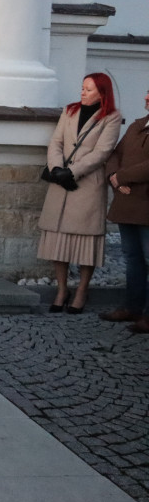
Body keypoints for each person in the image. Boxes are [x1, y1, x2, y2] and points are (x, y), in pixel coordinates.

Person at [38, 73, 121, 314]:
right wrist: (56, 169)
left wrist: (72, 172)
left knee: (86, 241)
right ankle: (62, 289)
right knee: (59, 239)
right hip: (59, 181)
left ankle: (82, 290)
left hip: (86, 185)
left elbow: (102, 152)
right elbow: (56, 142)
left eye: (89, 89)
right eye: (82, 88)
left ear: (101, 93)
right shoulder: (69, 111)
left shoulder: (111, 118)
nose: (83, 93)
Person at [100, 87, 149, 333]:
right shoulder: (137, 125)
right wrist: (113, 176)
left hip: (146, 204)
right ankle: (132, 307)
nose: (146, 97)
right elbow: (114, 155)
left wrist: (123, 177)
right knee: (133, 258)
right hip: (126, 202)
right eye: (147, 92)